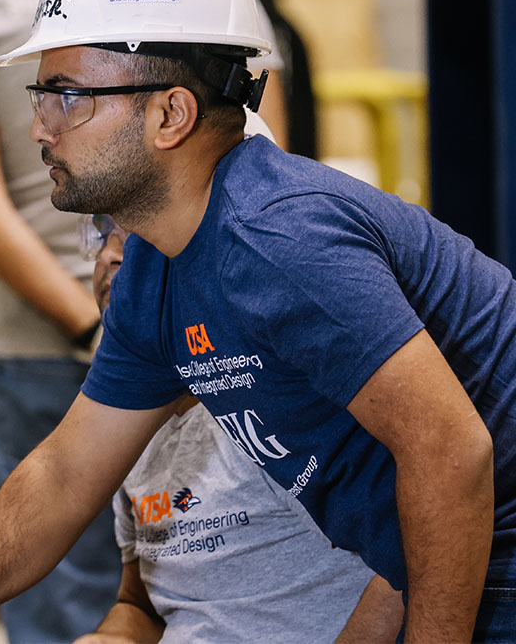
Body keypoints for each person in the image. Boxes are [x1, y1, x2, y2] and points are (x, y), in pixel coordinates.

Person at [0, 0, 516, 643]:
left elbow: (451, 451)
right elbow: (64, 471)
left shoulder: (278, 237)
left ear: (171, 113)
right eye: (40, 95)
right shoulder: (156, 264)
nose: (40, 128)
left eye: (68, 95)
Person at [0, 0, 288, 640]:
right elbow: (247, 151)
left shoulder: (293, 258)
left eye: (65, 98)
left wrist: (91, 316)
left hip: (51, 335)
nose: (40, 129)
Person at [75, 214, 403, 644]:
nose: (113, 254)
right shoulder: (123, 427)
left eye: (136, 236)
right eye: (104, 235)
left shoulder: (284, 398)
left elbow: (411, 563)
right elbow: (139, 603)